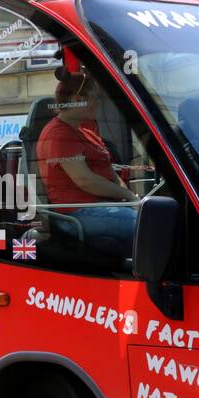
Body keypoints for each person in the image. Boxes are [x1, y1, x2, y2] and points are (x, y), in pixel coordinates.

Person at [36, 64, 138, 256]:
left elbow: (110, 174)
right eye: (95, 98)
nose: (98, 104)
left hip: (100, 207)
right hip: (77, 212)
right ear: (77, 100)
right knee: (150, 227)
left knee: (154, 217)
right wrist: (130, 198)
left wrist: (128, 197)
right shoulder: (58, 134)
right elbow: (85, 180)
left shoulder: (85, 132)